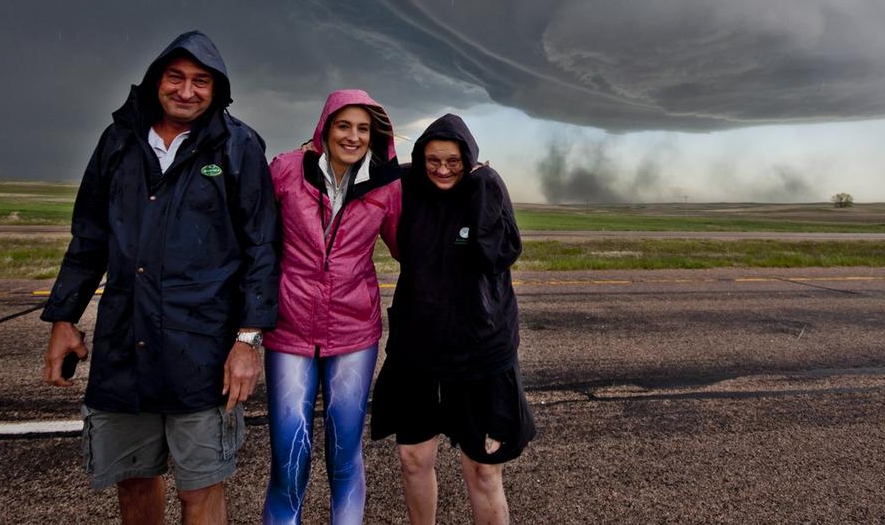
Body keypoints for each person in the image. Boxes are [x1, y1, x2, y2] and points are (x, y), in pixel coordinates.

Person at [40, 31, 279, 525]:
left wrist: (248, 341)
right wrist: (63, 317)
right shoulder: (119, 142)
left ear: (218, 89)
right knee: (133, 484)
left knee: (202, 488)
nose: (186, 91)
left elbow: (261, 249)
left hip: (204, 352)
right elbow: (88, 237)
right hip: (124, 345)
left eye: (201, 81)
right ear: (156, 81)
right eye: (176, 77)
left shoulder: (238, 147)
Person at [371, 114, 535, 525]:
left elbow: (494, 255)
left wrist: (483, 185)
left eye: (454, 161)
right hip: (418, 352)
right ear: (420, 157)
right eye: (433, 160)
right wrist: (313, 151)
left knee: (481, 469)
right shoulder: (408, 184)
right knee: (412, 459)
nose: (443, 169)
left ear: (469, 158)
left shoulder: (486, 187)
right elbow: (358, 172)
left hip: (480, 352)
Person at [263, 89, 402, 524]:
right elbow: (256, 239)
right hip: (288, 329)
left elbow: (405, 247)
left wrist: (469, 186)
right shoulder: (286, 170)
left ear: (374, 135)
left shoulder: (386, 184)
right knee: (289, 457)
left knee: (345, 453)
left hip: (353, 333)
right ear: (325, 127)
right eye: (344, 125)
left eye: (363, 128)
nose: (353, 136)